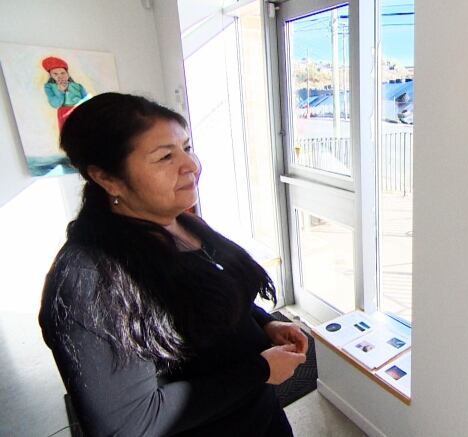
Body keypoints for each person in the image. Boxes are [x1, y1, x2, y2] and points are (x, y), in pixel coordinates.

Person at [39, 93, 307, 436]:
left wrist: (265, 324)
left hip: (258, 417)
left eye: (186, 146)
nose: (191, 165)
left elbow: (209, 293)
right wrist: (258, 370)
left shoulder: (180, 222)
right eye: (166, 156)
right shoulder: (91, 282)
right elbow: (128, 424)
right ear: (107, 178)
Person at [41, 56, 89, 131]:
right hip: (65, 113)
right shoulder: (49, 87)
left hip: (81, 112)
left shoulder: (78, 86)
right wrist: (61, 91)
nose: (60, 76)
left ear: (68, 74)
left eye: (63, 73)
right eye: (55, 74)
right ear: (51, 76)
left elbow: (88, 101)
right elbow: (55, 104)